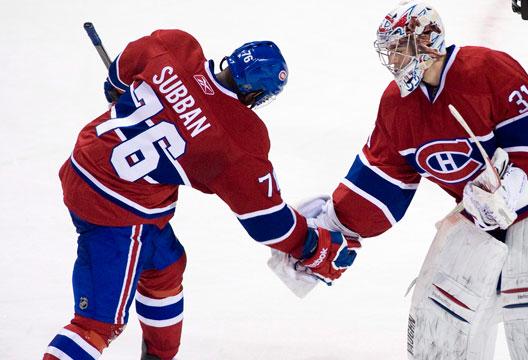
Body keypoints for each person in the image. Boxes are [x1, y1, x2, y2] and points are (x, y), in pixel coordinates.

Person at [302, 1, 528, 357]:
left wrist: (512, 189)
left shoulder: (485, 69)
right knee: (447, 308)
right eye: (390, 51)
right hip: (487, 217)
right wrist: (332, 226)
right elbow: (379, 179)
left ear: (428, 41)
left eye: (401, 48)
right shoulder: (397, 107)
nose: (394, 60)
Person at [43, 29, 359, 360]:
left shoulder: (173, 46)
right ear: (257, 96)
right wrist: (312, 244)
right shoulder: (239, 139)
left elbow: (117, 77)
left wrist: (136, 95)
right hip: (116, 208)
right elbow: (267, 222)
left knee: (165, 266)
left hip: (88, 163)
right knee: (95, 327)